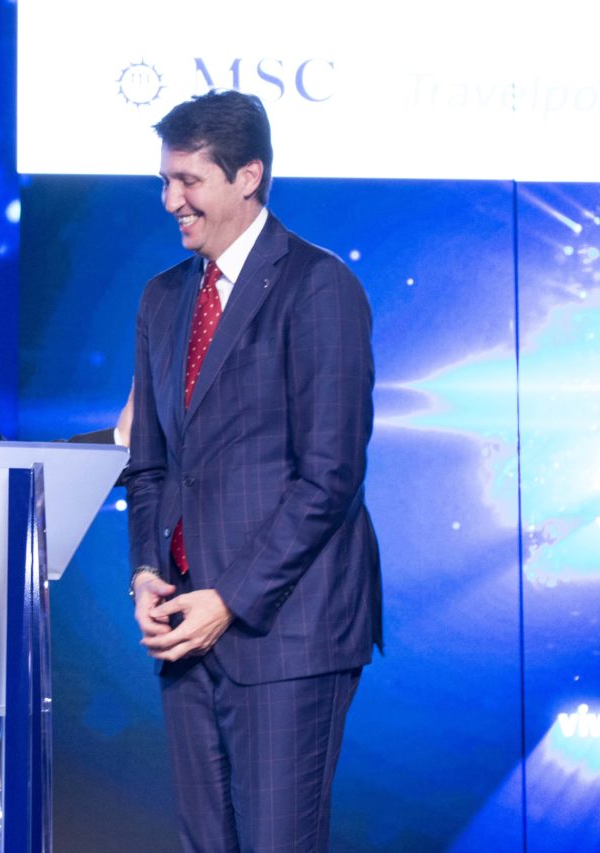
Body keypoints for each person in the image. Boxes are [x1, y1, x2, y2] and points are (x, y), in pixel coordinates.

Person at [126, 90, 383, 853]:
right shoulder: (162, 298)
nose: (170, 200)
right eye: (165, 180)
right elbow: (150, 464)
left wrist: (230, 599)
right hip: (184, 629)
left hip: (288, 630)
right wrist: (146, 572)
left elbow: (331, 476)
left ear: (248, 176)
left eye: (188, 180)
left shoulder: (318, 285)